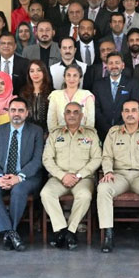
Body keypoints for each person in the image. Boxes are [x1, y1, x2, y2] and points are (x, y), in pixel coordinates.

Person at [97, 99, 139, 253]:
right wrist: (108, 172)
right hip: (119, 175)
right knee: (103, 188)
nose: (130, 114)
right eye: (126, 111)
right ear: (122, 114)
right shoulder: (113, 132)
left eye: (133, 110)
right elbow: (106, 156)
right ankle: (108, 234)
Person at [0, 98, 44, 252]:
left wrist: (19, 177)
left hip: (27, 177)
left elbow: (37, 160)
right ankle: (12, 233)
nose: (17, 114)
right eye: (13, 110)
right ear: (8, 112)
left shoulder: (36, 131)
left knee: (18, 191)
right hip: (2, 175)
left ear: (27, 113)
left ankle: (9, 232)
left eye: (21, 110)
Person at [42, 102, 102, 249]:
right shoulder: (55, 134)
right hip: (58, 178)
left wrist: (79, 175)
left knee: (85, 196)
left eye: (76, 112)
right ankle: (62, 229)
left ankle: (70, 230)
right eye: (68, 112)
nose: (72, 115)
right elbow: (47, 159)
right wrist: (62, 176)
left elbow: (97, 159)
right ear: (64, 115)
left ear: (81, 116)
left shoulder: (91, 134)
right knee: (46, 193)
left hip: (82, 178)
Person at [93, 52, 139, 141]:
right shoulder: (98, 84)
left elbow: (134, 107)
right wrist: (107, 128)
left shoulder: (133, 83)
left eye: (117, 63)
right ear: (106, 66)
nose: (114, 66)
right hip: (103, 132)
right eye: (110, 63)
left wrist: (119, 128)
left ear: (123, 65)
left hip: (126, 131)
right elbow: (96, 109)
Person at [47, 65, 95, 130]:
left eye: (75, 75)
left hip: (82, 137)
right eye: (68, 75)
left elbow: (90, 123)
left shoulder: (87, 95)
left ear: (80, 78)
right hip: (59, 137)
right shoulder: (55, 95)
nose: (71, 79)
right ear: (64, 77)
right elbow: (51, 122)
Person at [20, 60, 53, 134]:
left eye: (39, 70)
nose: (35, 74)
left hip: (47, 133)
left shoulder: (52, 92)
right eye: (32, 71)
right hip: (27, 132)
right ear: (28, 74)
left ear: (44, 72)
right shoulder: (23, 92)